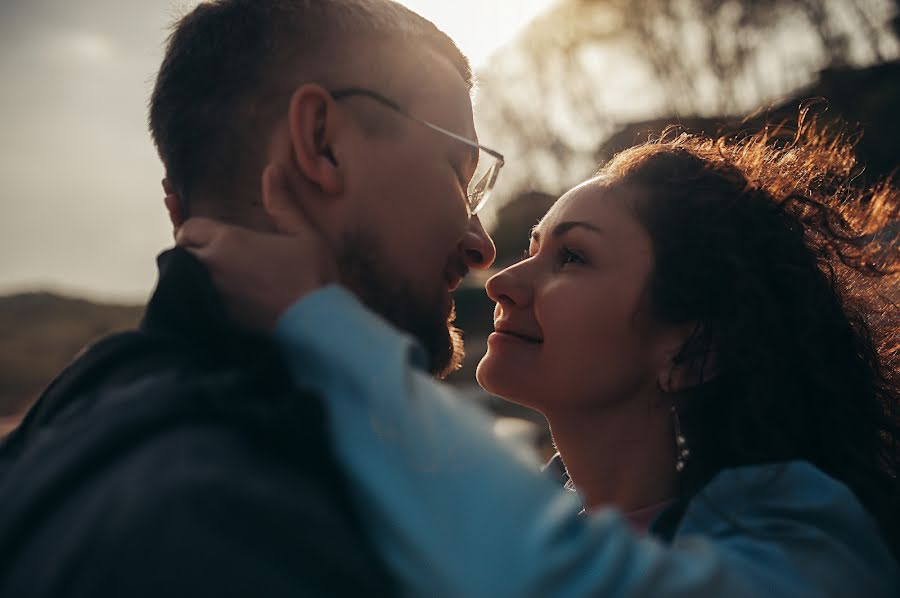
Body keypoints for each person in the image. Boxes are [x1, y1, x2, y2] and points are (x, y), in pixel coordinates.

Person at [178, 121, 900, 597]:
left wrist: (326, 325)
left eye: (573, 257)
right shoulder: (553, 513)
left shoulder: (806, 542)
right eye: (533, 248)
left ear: (693, 349)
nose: (502, 282)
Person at [0, 1, 499, 595]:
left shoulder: (67, 436)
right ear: (322, 143)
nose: (481, 245)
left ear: (176, 209)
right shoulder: (245, 527)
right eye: (458, 172)